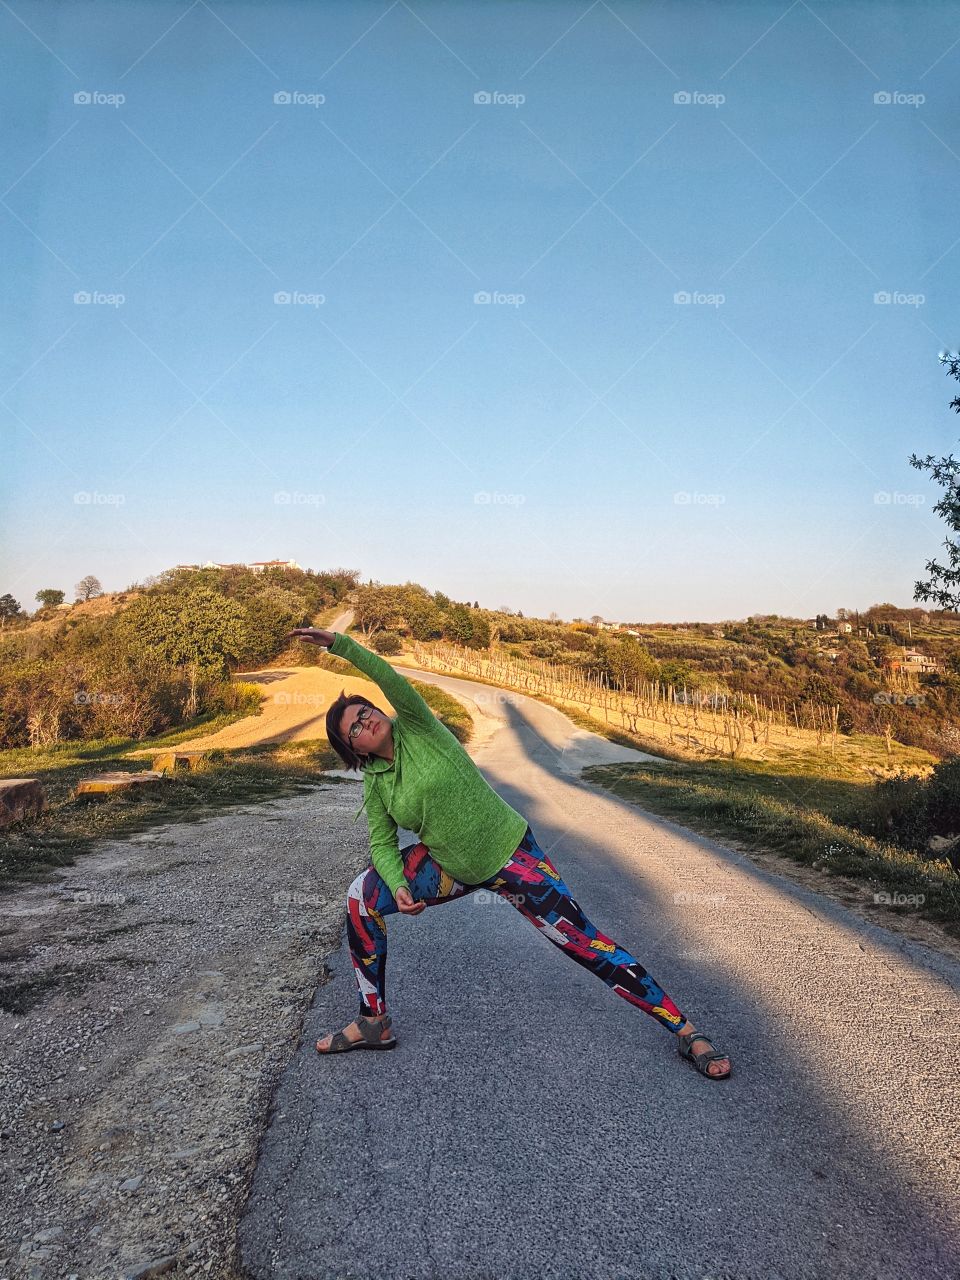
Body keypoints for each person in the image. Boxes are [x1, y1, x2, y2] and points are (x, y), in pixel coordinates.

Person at [288, 626, 731, 1080]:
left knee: (586, 945)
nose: (366, 722)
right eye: (354, 728)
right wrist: (399, 886)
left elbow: (389, 676)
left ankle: (685, 1030)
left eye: (364, 711)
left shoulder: (417, 728)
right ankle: (373, 1021)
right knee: (360, 898)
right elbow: (381, 843)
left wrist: (338, 644)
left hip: (513, 857)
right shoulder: (376, 783)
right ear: (352, 748)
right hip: (449, 868)